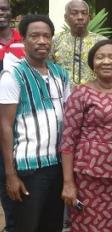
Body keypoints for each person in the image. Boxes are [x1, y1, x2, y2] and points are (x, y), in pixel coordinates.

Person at [60, 40, 112, 232]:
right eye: (100, 57)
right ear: (92, 63)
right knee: (87, 225)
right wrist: (68, 182)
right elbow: (68, 140)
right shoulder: (81, 92)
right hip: (88, 177)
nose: (106, 61)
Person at [0, 14, 70, 232]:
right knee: (25, 227)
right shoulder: (13, 75)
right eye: (35, 36)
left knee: (52, 226)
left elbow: (69, 119)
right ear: (24, 39)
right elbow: (4, 126)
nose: (42, 41)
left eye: (46, 36)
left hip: (57, 167)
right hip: (28, 169)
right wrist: (10, 175)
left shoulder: (60, 74)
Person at [0, 0, 25, 232]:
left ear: (11, 12)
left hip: (17, 125)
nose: (1, 13)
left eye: (4, 8)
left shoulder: (24, 42)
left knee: (13, 176)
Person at [52, 0, 106, 85]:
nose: (80, 17)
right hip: (62, 95)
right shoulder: (55, 40)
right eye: (74, 13)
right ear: (66, 17)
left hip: (93, 95)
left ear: (89, 17)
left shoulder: (101, 42)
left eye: (84, 13)